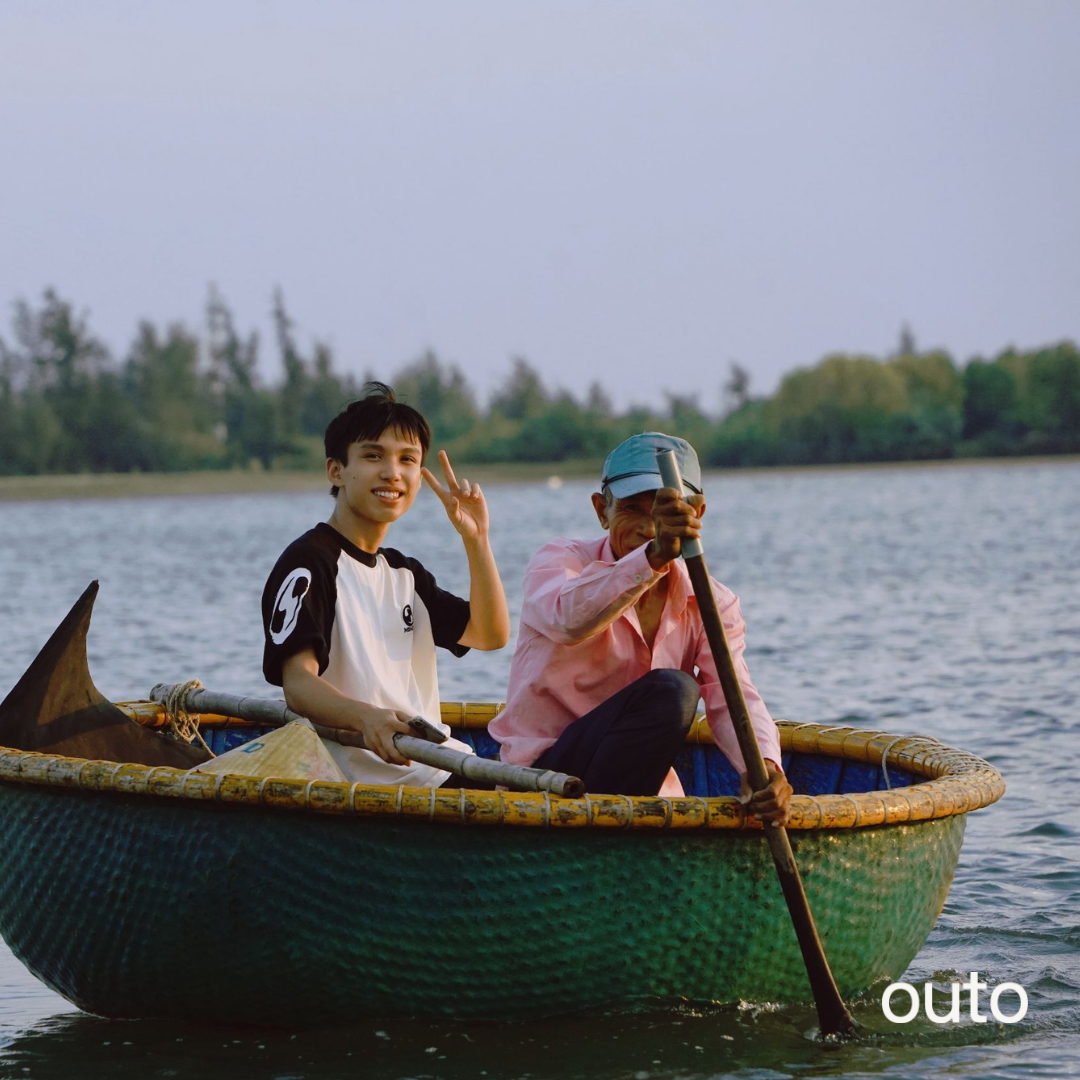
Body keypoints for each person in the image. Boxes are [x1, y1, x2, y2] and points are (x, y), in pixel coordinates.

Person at [490, 431, 792, 824]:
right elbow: (568, 619)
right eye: (633, 510)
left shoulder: (712, 603)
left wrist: (764, 768)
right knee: (674, 690)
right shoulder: (559, 562)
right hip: (543, 777)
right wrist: (652, 558)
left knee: (679, 696)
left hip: (640, 787)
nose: (650, 528)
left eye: (665, 514)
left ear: (696, 515)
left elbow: (733, 697)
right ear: (602, 511)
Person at [261, 382, 509, 787]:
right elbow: (299, 684)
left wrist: (477, 539)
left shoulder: (404, 573)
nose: (392, 473)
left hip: (435, 763)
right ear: (336, 470)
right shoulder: (310, 561)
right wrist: (367, 717)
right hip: (376, 778)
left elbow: (490, 634)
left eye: (407, 459)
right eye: (373, 456)